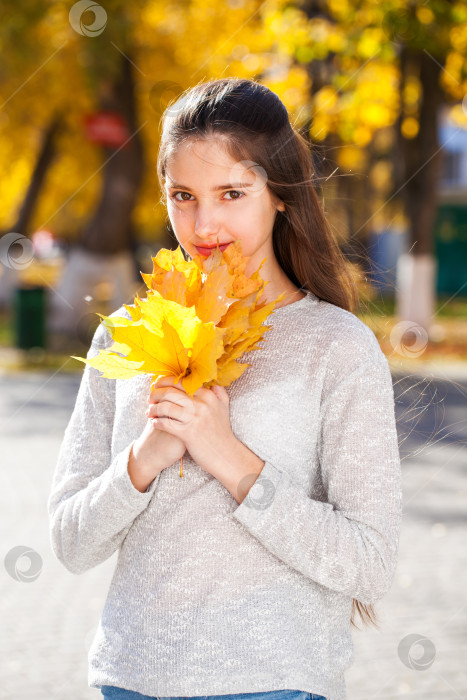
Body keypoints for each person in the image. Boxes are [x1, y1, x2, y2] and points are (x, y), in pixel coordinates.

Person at [47, 78, 402, 700]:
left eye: (232, 193)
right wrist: (143, 458)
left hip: (274, 686)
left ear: (282, 195)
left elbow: (368, 564)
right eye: (182, 195)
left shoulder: (336, 346)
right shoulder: (125, 339)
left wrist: (235, 463)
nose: (203, 223)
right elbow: (72, 543)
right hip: (129, 681)